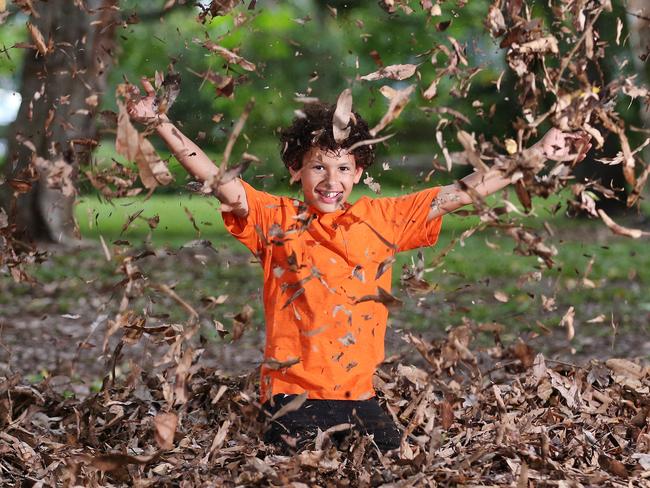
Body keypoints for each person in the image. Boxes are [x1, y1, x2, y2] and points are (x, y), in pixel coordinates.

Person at [127, 78, 590, 453]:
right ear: (295, 169)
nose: (332, 181)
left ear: (360, 172)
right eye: (318, 168)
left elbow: (465, 190)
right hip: (293, 398)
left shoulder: (382, 219)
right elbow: (216, 180)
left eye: (344, 169)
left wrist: (535, 155)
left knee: (398, 467)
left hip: (359, 397)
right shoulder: (276, 219)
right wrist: (161, 124)